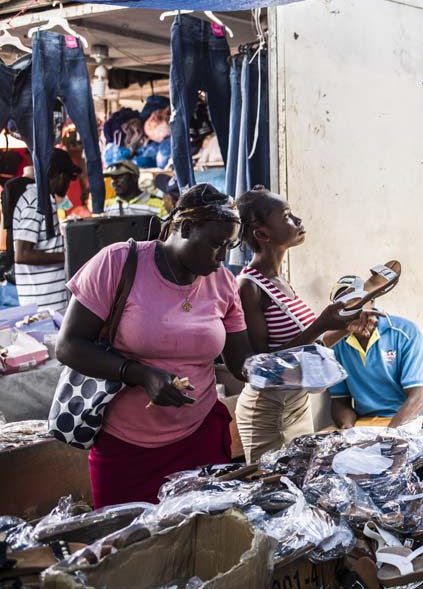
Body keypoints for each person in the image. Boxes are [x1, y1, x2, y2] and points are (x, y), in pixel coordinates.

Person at [56, 184, 253, 507]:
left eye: (229, 247)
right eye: (217, 245)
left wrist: (286, 367)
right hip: (126, 447)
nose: (222, 258)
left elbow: (239, 361)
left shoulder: (224, 283)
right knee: (128, 546)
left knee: (202, 540)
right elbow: (68, 346)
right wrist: (139, 374)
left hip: (199, 436)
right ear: (186, 228)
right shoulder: (119, 262)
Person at [234, 186, 378, 461]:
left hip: (296, 404)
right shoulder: (249, 286)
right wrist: (320, 324)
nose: (298, 221)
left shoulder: (281, 281)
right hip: (267, 411)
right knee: (273, 491)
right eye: (287, 216)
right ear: (262, 234)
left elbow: (309, 347)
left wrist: (344, 327)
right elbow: (260, 366)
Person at [328, 296, 423, 429]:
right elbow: (340, 400)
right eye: (344, 304)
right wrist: (348, 430)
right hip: (368, 422)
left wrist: (388, 435)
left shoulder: (405, 331)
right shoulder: (336, 343)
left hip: (412, 419)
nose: (352, 308)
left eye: (357, 301)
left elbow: (417, 398)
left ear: (372, 301)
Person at [12, 150, 80, 310]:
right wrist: (67, 256)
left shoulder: (41, 199)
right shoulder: (36, 201)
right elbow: (22, 255)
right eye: (69, 178)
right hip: (43, 304)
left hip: (47, 301)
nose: (69, 184)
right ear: (60, 175)